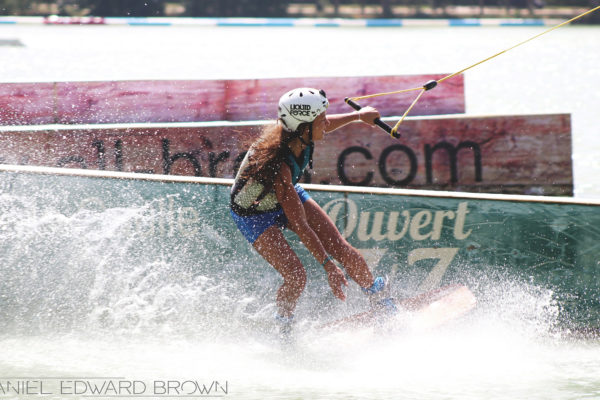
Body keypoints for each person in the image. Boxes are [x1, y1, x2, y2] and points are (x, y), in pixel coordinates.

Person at [230, 88, 394, 336]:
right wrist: (329, 267)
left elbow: (325, 125)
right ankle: (283, 326)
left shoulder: (299, 133)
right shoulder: (278, 164)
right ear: (303, 127)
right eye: (322, 119)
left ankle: (379, 299)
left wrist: (358, 116)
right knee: (296, 275)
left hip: (285, 194)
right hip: (254, 215)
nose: (327, 123)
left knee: (341, 248)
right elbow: (301, 225)